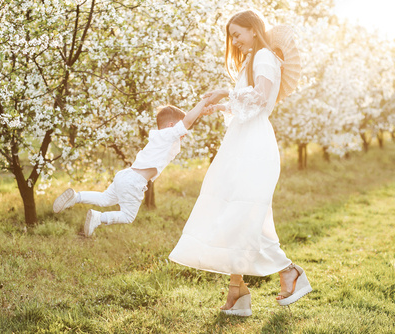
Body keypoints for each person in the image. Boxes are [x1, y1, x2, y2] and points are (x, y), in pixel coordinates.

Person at [168, 9, 312, 316]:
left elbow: (258, 98)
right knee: (231, 211)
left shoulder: (264, 57)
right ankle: (238, 293)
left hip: (254, 144)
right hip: (243, 139)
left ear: (254, 29)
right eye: (231, 37)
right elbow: (249, 100)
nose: (234, 42)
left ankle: (290, 272)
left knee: (243, 214)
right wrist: (222, 101)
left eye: (237, 34)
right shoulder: (254, 59)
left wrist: (225, 93)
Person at [53, 98, 209, 237]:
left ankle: (76, 197)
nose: (185, 133)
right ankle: (98, 217)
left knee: (105, 198)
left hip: (126, 175)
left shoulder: (159, 137)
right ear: (171, 125)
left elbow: (187, 121)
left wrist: (201, 112)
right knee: (128, 216)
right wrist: (202, 102)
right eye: (182, 128)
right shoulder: (168, 135)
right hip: (135, 182)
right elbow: (187, 121)